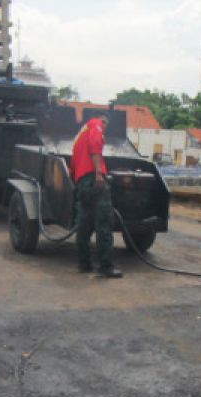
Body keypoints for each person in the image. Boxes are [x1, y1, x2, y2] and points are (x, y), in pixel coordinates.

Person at [70, 114, 121, 278]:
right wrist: (99, 172)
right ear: (103, 122)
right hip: (94, 179)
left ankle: (84, 264)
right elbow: (95, 144)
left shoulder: (78, 138)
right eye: (105, 127)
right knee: (104, 222)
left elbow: (73, 165)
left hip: (82, 183)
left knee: (84, 224)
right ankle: (106, 266)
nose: (104, 130)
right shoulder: (96, 124)